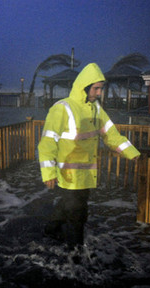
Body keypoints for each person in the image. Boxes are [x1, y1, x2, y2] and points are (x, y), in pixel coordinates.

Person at [38, 63, 140, 247]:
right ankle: (76, 254)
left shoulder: (96, 109)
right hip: (68, 174)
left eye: (101, 89)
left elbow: (111, 135)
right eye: (96, 88)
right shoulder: (62, 108)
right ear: (84, 86)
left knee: (69, 205)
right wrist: (49, 173)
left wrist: (131, 152)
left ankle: (51, 230)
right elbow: (47, 143)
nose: (99, 93)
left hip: (86, 173)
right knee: (78, 213)